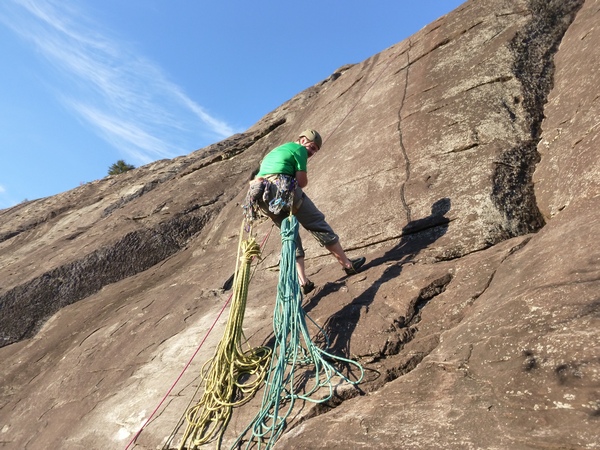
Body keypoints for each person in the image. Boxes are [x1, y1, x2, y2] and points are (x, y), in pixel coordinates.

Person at [243, 129, 366, 295]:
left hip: (263, 198)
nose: (311, 151)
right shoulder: (299, 149)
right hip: (282, 190)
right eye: (311, 146)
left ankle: (304, 282)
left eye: (315, 149)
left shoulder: (275, 152)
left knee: (290, 235)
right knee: (316, 222)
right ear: (301, 140)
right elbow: (301, 181)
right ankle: (347, 265)